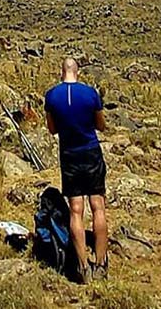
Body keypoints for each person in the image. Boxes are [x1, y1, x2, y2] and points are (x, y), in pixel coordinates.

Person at [44, 57, 108, 283]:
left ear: (62, 72)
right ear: (77, 72)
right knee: (97, 206)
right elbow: (100, 125)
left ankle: (82, 267)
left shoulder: (52, 96)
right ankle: (100, 264)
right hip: (90, 151)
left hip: (69, 154)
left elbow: (52, 129)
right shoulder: (90, 93)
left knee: (76, 210)